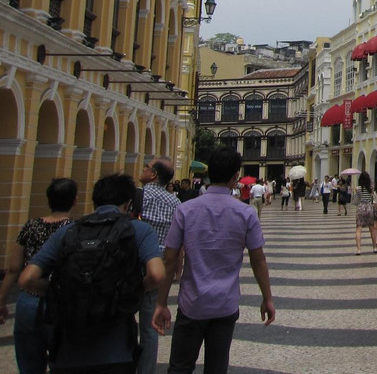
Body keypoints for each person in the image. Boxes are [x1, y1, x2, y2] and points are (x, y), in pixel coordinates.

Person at [20, 173, 165, 373]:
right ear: (128, 203)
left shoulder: (69, 231)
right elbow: (157, 275)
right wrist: (126, 291)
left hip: (69, 349)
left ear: (94, 201)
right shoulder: (139, 230)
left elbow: (27, 279)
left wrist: (62, 289)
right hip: (116, 350)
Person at [152, 147, 274, 374]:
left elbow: (169, 259)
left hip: (191, 304)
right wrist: (267, 298)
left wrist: (161, 303)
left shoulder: (185, 210)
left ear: (209, 172)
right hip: (224, 305)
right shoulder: (246, 213)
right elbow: (258, 260)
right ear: (235, 176)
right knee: (217, 368)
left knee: (179, 367)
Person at [0, 177, 76, 374]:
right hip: (59, 302)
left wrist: (1, 301)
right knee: (64, 363)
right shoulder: (75, 230)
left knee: (29, 366)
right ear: (74, 201)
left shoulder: (30, 226)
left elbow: (14, 269)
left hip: (28, 301)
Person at [138, 157, 180, 374]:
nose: (143, 169)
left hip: (134, 265)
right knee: (149, 326)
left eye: (146, 167)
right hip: (159, 268)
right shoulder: (175, 203)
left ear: (153, 174)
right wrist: (177, 270)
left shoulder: (138, 195)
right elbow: (178, 243)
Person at [353, 172, 377, 254]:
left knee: (358, 229)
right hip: (369, 207)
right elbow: (373, 197)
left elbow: (356, 199)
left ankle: (358, 249)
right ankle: (374, 247)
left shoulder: (358, 188)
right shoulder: (371, 187)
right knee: (372, 229)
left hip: (361, 208)